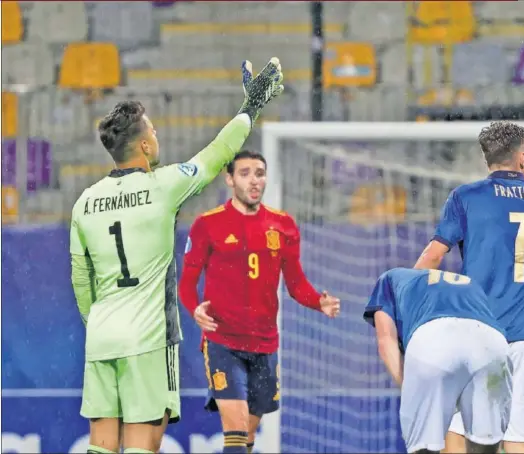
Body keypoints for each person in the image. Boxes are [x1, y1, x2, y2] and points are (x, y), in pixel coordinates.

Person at [70, 58, 284, 454]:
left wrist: (97, 321)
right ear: (145, 145)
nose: (156, 131)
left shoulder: (84, 202)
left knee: (99, 445)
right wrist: (250, 108)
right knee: (141, 444)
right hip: (146, 337)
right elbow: (218, 153)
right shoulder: (162, 185)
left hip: (101, 336)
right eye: (152, 127)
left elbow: (81, 280)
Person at [414, 121, 524, 453]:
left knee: (456, 429)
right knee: (519, 434)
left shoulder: (466, 197)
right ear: (523, 158)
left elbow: (430, 260)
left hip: (476, 334)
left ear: (487, 159)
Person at [178, 149, 341, 454]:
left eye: (259, 173)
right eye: (245, 173)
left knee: (248, 438)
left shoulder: (284, 225)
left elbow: (295, 285)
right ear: (229, 179)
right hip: (222, 341)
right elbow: (186, 284)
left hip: (265, 345)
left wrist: (319, 302)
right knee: (237, 432)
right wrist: (195, 310)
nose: (254, 180)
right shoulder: (208, 224)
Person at [363, 267, 512, 454]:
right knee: (485, 448)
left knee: (424, 449)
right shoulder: (469, 283)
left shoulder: (388, 279)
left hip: (432, 340)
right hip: (492, 344)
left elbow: (386, 341)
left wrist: (409, 388)